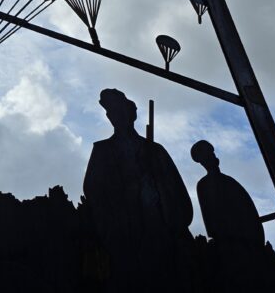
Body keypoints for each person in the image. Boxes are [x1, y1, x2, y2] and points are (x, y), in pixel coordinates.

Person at [82, 88, 193, 292]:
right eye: (112, 112)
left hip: (156, 225)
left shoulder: (155, 150)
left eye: (120, 110)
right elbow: (92, 187)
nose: (116, 116)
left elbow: (174, 187)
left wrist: (158, 194)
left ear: (130, 113)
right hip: (121, 228)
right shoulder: (102, 150)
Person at [191, 140, 264, 247]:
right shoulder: (204, 185)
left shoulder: (228, 181)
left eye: (212, 153)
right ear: (202, 161)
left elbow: (247, 210)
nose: (212, 156)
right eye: (208, 155)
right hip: (230, 243)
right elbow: (211, 221)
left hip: (245, 240)